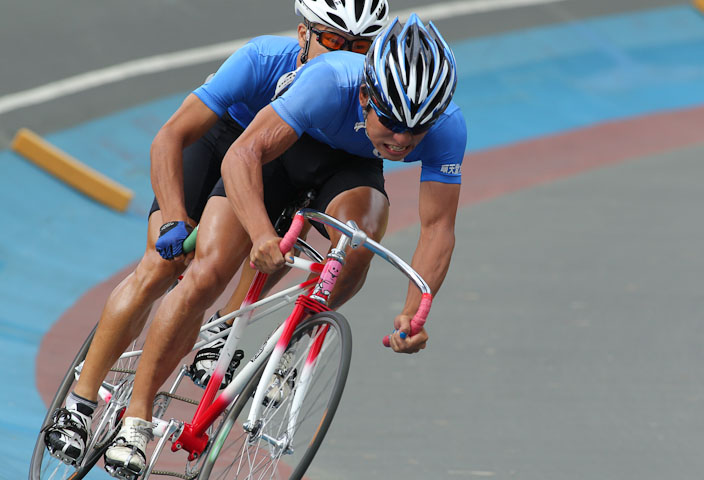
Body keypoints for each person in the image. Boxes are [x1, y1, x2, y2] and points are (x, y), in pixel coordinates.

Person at [103, 13, 465, 477]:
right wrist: (259, 233)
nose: (401, 141)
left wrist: (414, 313)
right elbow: (243, 153)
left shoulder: (448, 128)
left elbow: (437, 228)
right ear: (366, 94)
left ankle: (285, 348)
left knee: (358, 243)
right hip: (282, 147)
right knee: (206, 272)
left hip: (346, 166)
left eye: (417, 132)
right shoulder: (328, 79)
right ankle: (135, 414)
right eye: (392, 123)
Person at [42, 0, 389, 468]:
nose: (342, 55)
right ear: (303, 31)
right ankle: (80, 403)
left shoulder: (352, 90)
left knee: (252, 250)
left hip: (268, 161)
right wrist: (172, 217)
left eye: (359, 47)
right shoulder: (262, 60)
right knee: (162, 266)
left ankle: (217, 333)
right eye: (331, 40)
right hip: (217, 143)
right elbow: (171, 135)